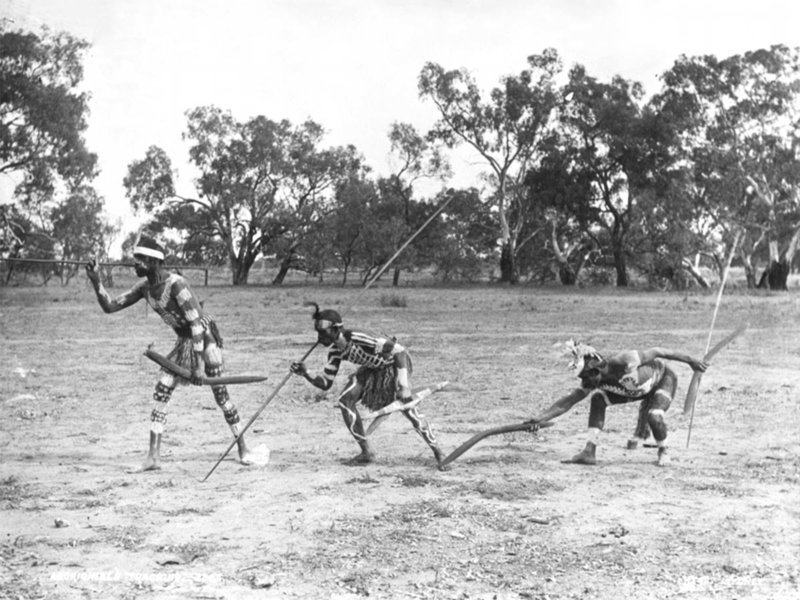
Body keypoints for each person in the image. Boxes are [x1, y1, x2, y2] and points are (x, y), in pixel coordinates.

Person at [85, 235, 251, 471]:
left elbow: (196, 323)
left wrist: (197, 368)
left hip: (205, 343)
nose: (136, 264)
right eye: (136, 259)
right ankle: (153, 457)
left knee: (221, 396)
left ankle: (243, 446)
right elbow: (110, 306)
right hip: (184, 342)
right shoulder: (144, 288)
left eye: (141, 259)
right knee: (162, 389)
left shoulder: (177, 285)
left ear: (155, 262)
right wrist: (96, 280)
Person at [290, 302, 446, 469]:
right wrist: (305, 373)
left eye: (323, 332)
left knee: (407, 406)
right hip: (371, 370)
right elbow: (325, 383)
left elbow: (399, 351)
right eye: (318, 333)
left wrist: (404, 385)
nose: (320, 338)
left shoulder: (359, 337)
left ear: (336, 329)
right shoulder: (335, 351)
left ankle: (438, 452)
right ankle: (366, 452)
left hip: (394, 365)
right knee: (345, 400)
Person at [527, 340, 707, 467]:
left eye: (586, 376)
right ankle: (589, 451)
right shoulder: (593, 380)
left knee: (654, 415)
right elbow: (568, 402)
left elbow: (660, 351)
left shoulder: (625, 360)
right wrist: (540, 418)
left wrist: (691, 361)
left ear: (596, 369)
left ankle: (663, 451)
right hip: (636, 391)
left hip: (662, 379)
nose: (586, 382)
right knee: (598, 398)